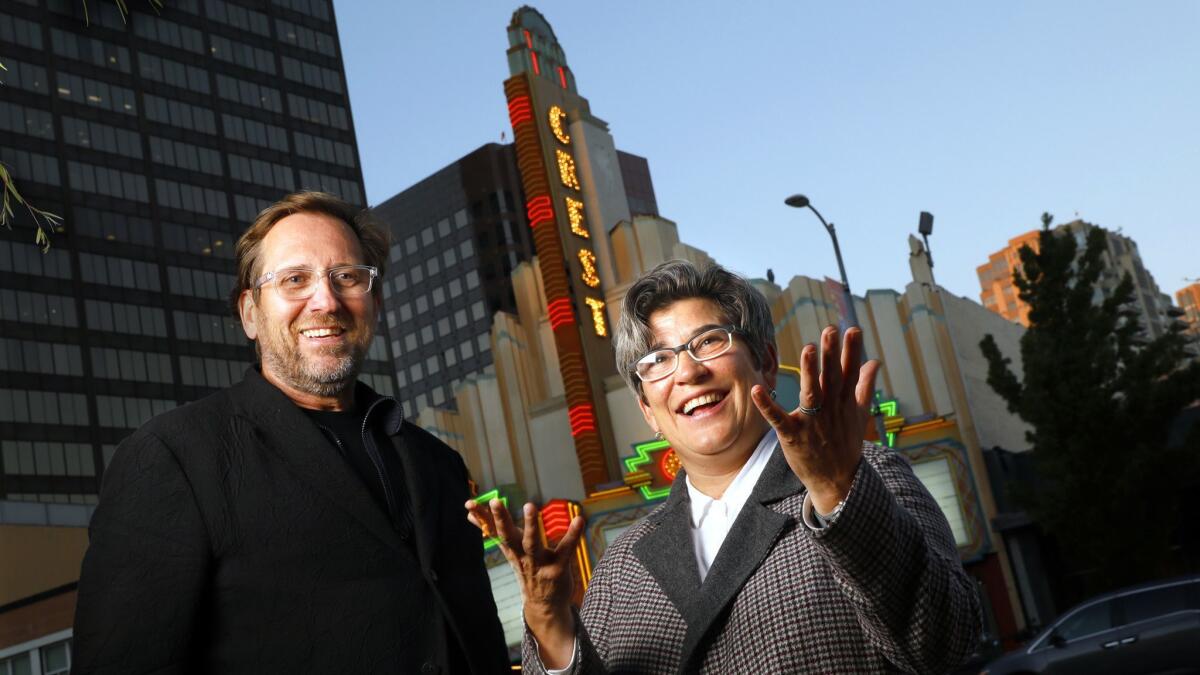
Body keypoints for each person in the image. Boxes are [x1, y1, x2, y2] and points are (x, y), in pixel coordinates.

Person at [467, 260, 981, 673]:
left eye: (709, 341)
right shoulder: (622, 566)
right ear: (648, 410)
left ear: (761, 358)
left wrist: (834, 488)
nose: (687, 371)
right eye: (658, 360)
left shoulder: (866, 476)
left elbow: (947, 645)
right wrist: (549, 619)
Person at [73, 192, 509, 674]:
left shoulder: (439, 464)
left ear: (375, 301)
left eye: (346, 277)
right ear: (250, 314)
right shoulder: (174, 458)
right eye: (294, 280)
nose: (325, 300)